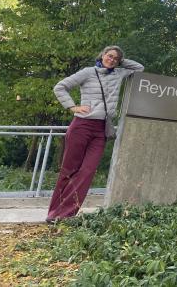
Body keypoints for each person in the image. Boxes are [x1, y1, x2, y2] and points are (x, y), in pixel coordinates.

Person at [47, 46, 143, 222]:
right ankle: (54, 213)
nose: (112, 60)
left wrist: (122, 61)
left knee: (88, 170)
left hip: (101, 130)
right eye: (109, 56)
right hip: (81, 126)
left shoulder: (119, 73)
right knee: (70, 169)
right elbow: (60, 87)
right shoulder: (88, 72)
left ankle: (66, 213)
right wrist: (72, 106)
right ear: (103, 55)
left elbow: (139, 68)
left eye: (116, 58)